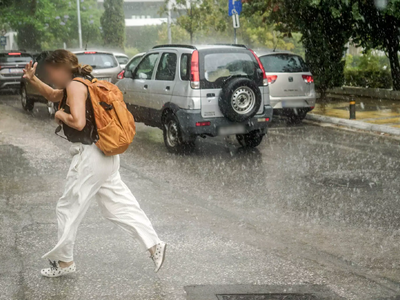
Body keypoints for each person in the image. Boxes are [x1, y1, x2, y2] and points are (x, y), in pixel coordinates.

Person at [23, 49, 166, 278]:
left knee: (67, 207)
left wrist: (60, 116)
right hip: (106, 155)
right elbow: (52, 95)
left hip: (90, 156)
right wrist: (33, 79)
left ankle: (65, 263)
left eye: (51, 73)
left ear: (62, 68)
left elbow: (78, 123)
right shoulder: (85, 82)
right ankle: (154, 245)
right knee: (118, 204)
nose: (51, 78)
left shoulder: (74, 86)